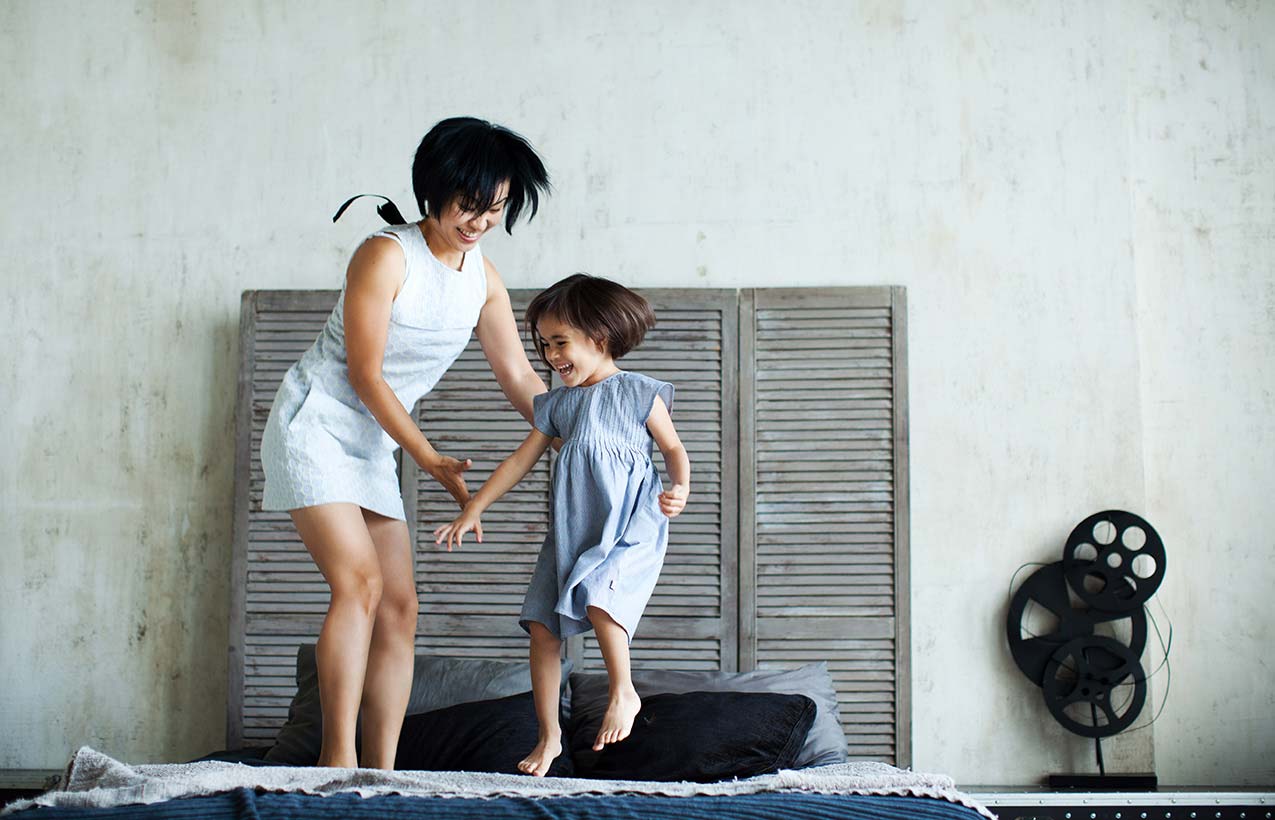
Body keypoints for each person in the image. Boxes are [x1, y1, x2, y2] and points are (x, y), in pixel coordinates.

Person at [259, 117, 552, 770]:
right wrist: (425, 456)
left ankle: (380, 768)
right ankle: (335, 763)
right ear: (434, 191)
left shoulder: (484, 279)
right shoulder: (385, 254)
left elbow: (517, 375)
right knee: (358, 584)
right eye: (468, 206)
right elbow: (365, 373)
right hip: (315, 426)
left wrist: (572, 416)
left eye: (495, 209)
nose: (479, 222)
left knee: (400, 605)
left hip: (374, 442)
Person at [433, 274, 691, 777]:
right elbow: (517, 461)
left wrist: (679, 487)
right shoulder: (558, 406)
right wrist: (475, 506)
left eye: (560, 343)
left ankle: (624, 690)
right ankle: (549, 735)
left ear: (600, 337)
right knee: (541, 627)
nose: (551, 356)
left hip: (627, 525)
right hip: (572, 530)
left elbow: (674, 449)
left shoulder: (639, 393)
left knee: (599, 594)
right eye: (544, 344)